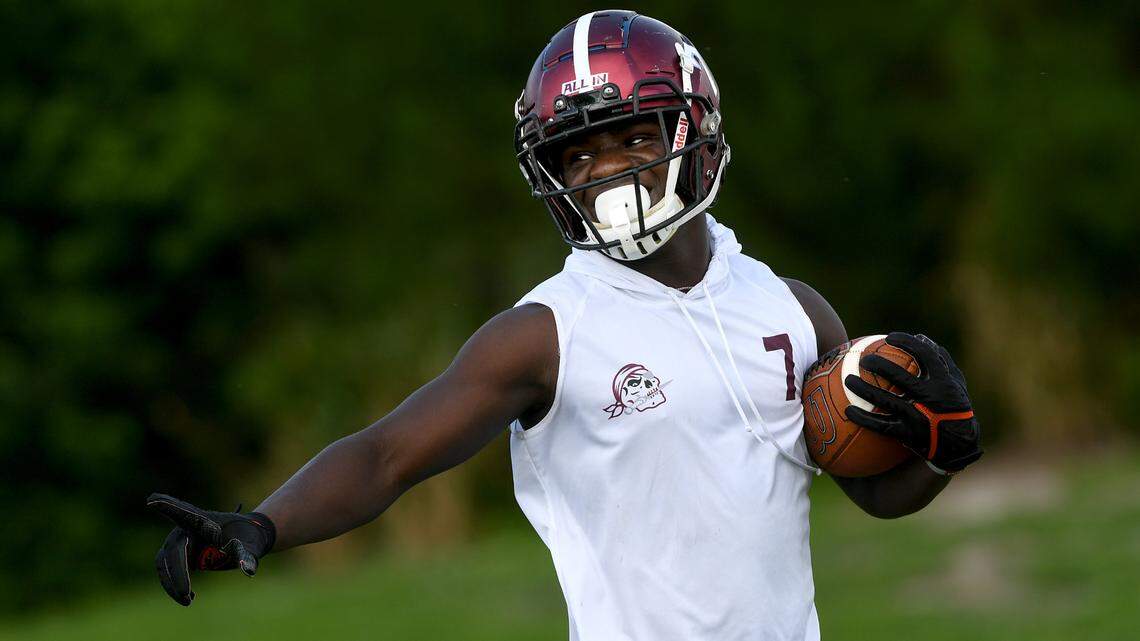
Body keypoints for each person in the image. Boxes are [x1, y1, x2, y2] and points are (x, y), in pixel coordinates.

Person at [147, 11, 982, 640]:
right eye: (577, 153)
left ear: (693, 130)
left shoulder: (792, 308)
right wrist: (262, 524)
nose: (604, 168)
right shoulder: (547, 332)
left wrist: (944, 446)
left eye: (630, 136)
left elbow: (874, 491)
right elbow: (386, 454)